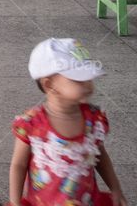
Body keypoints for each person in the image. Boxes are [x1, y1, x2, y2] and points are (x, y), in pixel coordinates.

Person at [9, 38, 125, 206]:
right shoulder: (32, 123)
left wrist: (115, 188)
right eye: (79, 80)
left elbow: (100, 157)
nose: (88, 85)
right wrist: (15, 201)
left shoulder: (93, 119)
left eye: (89, 78)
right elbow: (18, 165)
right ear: (49, 85)